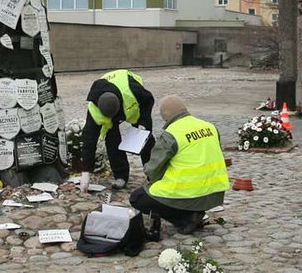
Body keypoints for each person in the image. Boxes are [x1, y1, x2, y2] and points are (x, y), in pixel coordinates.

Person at [129, 95, 229, 240]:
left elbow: (152, 169)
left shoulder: (171, 134)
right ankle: (195, 212)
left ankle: (184, 219)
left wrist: (153, 179)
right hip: (214, 193)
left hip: (189, 193)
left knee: (138, 198)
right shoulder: (210, 126)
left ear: (165, 117)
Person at [79, 70, 155, 193]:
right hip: (115, 106)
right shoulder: (94, 109)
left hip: (134, 106)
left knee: (145, 139)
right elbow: (89, 140)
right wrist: (86, 171)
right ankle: (121, 175)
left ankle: (153, 174)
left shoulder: (134, 91)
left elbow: (149, 100)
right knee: (112, 140)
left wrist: (143, 124)